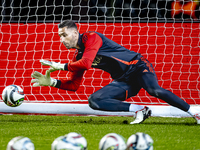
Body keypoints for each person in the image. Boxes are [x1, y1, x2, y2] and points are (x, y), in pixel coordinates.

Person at [31, 20, 200, 124]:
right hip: (124, 80)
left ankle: (194, 112)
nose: (62, 40)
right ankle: (139, 110)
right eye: (60, 36)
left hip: (138, 66)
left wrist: (60, 66)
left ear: (75, 32)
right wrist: (53, 82)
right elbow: (74, 85)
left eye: (64, 35)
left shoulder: (91, 37)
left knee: (153, 90)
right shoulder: (77, 56)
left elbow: (87, 64)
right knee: (95, 101)